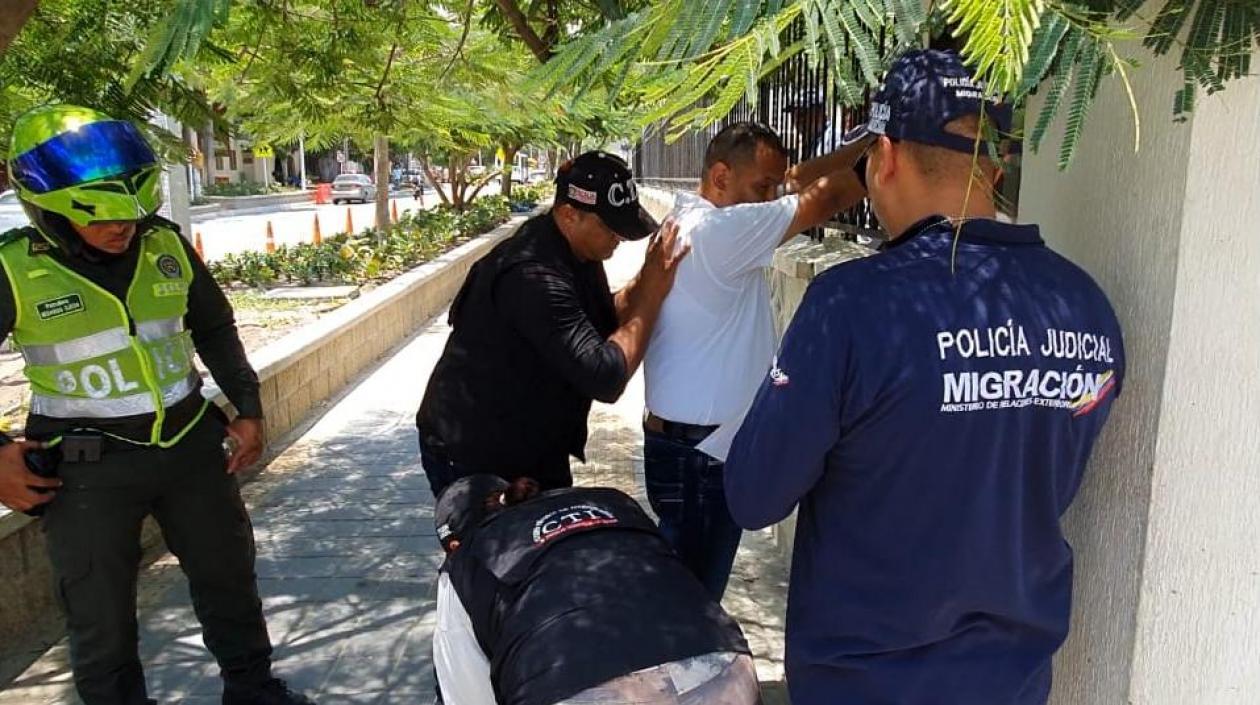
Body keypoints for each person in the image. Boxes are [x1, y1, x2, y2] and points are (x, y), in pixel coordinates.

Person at [724, 50, 1126, 705]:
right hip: (1013, 680)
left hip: (862, 682)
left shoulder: (851, 304)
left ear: (883, 155)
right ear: (996, 165)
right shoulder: (1084, 306)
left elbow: (754, 493)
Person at [0, 105, 314, 705]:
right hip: (86, 469)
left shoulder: (164, 244)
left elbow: (215, 327)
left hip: (190, 446)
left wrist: (247, 407)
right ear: (51, 211)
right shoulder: (13, 268)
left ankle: (253, 690)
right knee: (100, 617)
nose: (122, 229)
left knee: (229, 584)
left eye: (131, 215)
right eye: (103, 221)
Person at [640, 122, 868, 598]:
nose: (771, 199)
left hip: (690, 448)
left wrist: (865, 140)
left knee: (683, 595)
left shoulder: (694, 218)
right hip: (701, 458)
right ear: (720, 176)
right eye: (761, 187)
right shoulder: (720, 231)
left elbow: (799, 180)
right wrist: (897, 148)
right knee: (690, 608)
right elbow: (825, 198)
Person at [416, 151, 685, 497]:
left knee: (548, 548)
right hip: (477, 453)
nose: (618, 237)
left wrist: (646, 279)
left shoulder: (575, 250)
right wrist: (652, 296)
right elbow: (605, 376)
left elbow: (601, 321)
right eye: (610, 226)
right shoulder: (532, 275)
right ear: (569, 215)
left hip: (533, 446)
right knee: (494, 551)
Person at [431, 474, 760, 705]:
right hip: (723, 663)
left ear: (453, 543)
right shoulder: (612, 501)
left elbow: (466, 695)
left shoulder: (464, 564)